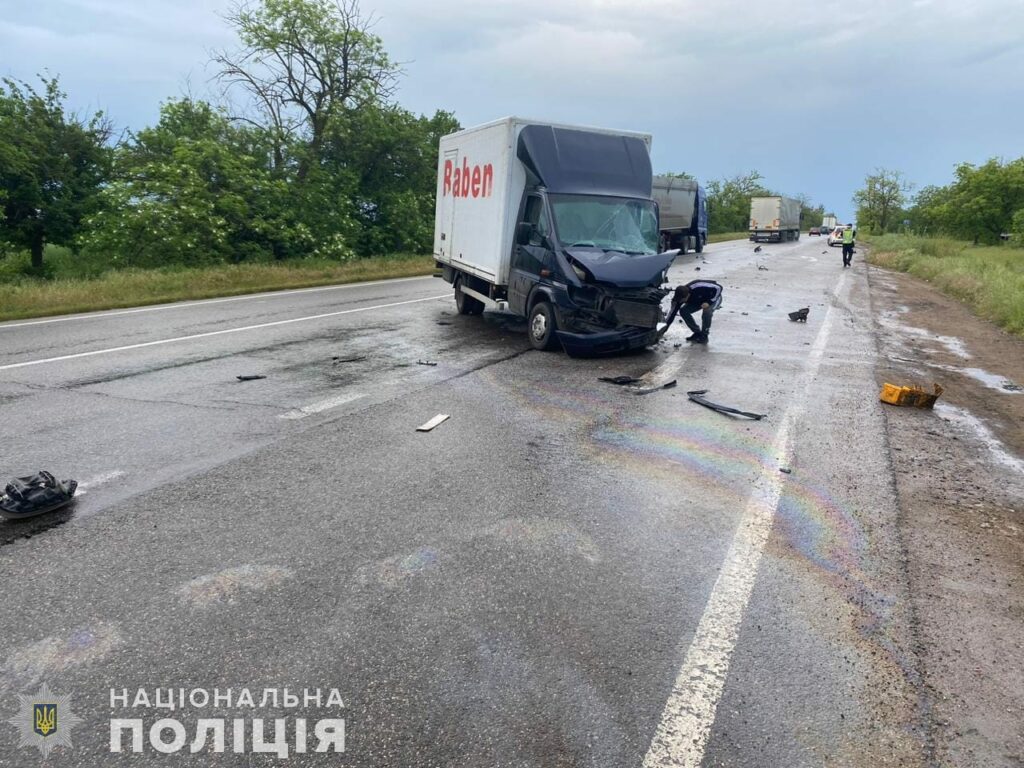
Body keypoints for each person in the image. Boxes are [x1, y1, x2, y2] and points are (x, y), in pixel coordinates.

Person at [671, 280, 723, 344]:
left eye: (683, 300)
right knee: (683, 311)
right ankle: (697, 333)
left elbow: (719, 287)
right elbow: (672, 313)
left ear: (688, 295)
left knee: (707, 312)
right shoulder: (679, 297)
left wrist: (709, 302)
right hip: (698, 301)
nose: (682, 302)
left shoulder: (698, 286)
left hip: (713, 299)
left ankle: (704, 335)